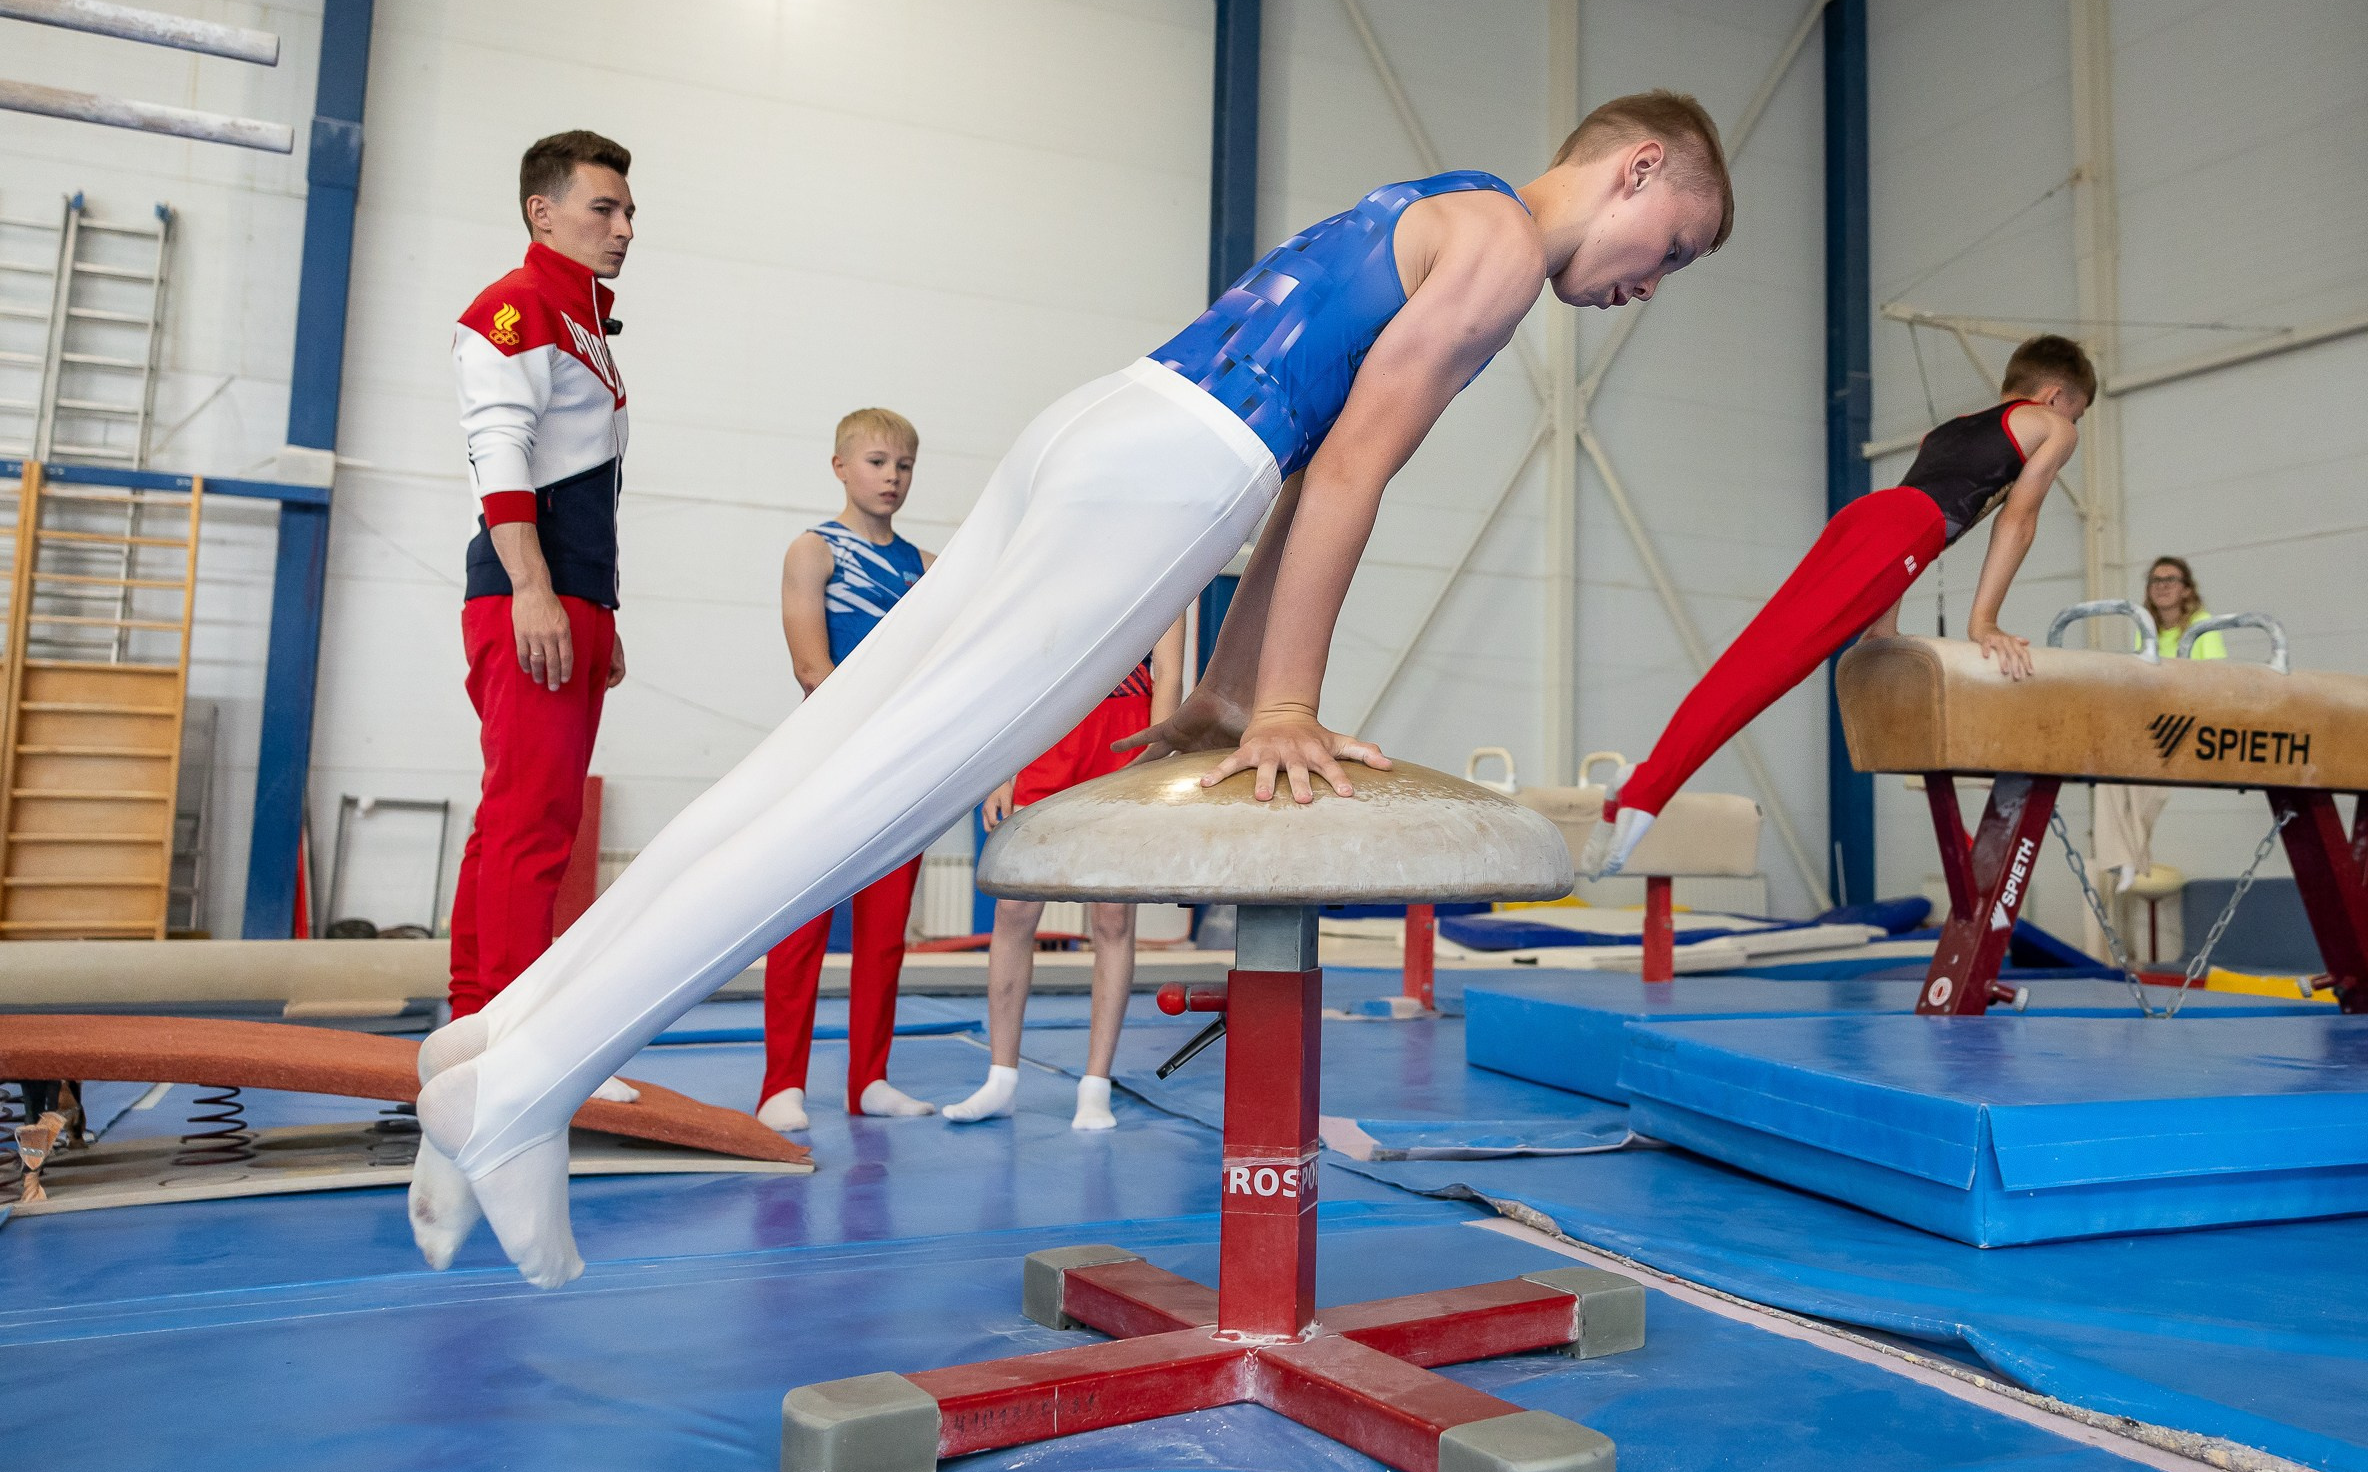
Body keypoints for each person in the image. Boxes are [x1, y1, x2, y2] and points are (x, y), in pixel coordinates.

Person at [409, 89, 1737, 1289]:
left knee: (805, 769)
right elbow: (1341, 477)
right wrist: (1283, 708)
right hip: (1181, 472)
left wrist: (1223, 692)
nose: (1651, 286)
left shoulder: (1443, 199)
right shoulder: (1503, 253)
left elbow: (1317, 464)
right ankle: (531, 1090)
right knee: (862, 812)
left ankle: (488, 1040)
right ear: (1631, 170)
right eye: (1672, 247)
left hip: (1106, 418)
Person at [1586, 334, 2096, 877]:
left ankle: (1641, 781)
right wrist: (1984, 622)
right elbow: (2017, 520)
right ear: (2054, 395)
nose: (2076, 427)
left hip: (1869, 517)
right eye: (2078, 413)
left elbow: (1919, 498)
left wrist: (1885, 624)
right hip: (1903, 532)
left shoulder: (1957, 426)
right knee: (1770, 666)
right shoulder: (2053, 428)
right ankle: (1647, 791)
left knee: (1758, 653)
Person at [446, 131, 636, 1025]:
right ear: (543, 211)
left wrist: (599, 602)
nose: (624, 227)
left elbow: (584, 467)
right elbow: (500, 448)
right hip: (533, 589)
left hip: (570, 591)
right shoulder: (515, 307)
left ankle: (477, 1022)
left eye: (629, 210)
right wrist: (534, 587)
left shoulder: (581, 320)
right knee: (531, 829)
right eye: (604, 208)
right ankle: (512, 1040)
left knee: (517, 822)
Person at [754, 409, 938, 1134]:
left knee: (886, 930)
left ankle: (870, 1078)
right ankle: (781, 1083)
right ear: (839, 466)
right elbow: (809, 665)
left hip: (900, 761)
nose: (891, 476)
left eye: (904, 465)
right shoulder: (813, 550)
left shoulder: (925, 566)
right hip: (830, 753)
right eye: (876, 461)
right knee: (801, 924)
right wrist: (869, 734)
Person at [944, 615, 1188, 1132]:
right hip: (1050, 734)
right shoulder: (1069, 550)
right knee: (1012, 910)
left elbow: (1168, 673)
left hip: (1124, 739)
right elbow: (1022, 668)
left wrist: (1155, 755)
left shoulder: (1164, 560)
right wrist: (1004, 771)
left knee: (1113, 921)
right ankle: (1001, 1079)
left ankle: (1094, 1086)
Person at [2093, 555, 2225, 898]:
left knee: (2146, 780)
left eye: (2171, 580)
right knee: (2108, 773)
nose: (2163, 586)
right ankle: (2121, 859)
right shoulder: (2147, 631)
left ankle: (2131, 857)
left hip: (2195, 721)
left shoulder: (2202, 625)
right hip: (2156, 721)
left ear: (2186, 589)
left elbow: (2221, 681)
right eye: (2156, 580)